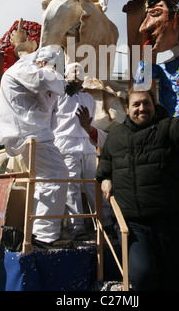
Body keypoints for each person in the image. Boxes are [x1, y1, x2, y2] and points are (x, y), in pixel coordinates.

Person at [96, 52, 179, 291]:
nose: (142, 108)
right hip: (134, 226)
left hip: (168, 222)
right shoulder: (116, 136)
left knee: (173, 279)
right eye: (136, 104)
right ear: (127, 108)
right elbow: (105, 162)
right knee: (143, 276)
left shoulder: (168, 128)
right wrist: (105, 178)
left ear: (154, 105)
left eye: (146, 104)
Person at [0, 46, 70, 248]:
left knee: (49, 180)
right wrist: (61, 74)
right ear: (42, 63)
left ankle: (41, 234)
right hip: (30, 134)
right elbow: (42, 80)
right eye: (52, 67)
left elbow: (48, 112)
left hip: (34, 134)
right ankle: (44, 237)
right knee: (56, 175)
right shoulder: (23, 69)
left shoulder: (32, 74)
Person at [51, 62, 113, 240]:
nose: (78, 73)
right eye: (74, 70)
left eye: (81, 70)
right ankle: (76, 227)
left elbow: (90, 124)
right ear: (66, 75)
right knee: (72, 187)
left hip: (86, 145)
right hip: (66, 145)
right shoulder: (58, 96)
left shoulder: (89, 99)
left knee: (94, 185)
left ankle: (105, 222)